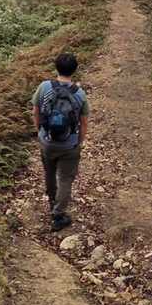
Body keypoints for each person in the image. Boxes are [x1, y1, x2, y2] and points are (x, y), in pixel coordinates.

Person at [32, 52, 89, 232]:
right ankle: (58, 215)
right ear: (75, 70)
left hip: (47, 142)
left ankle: (52, 201)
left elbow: (36, 111)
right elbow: (84, 122)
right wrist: (78, 142)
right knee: (65, 178)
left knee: (49, 172)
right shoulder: (80, 94)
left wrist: (40, 132)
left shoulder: (44, 87)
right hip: (69, 145)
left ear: (56, 67)